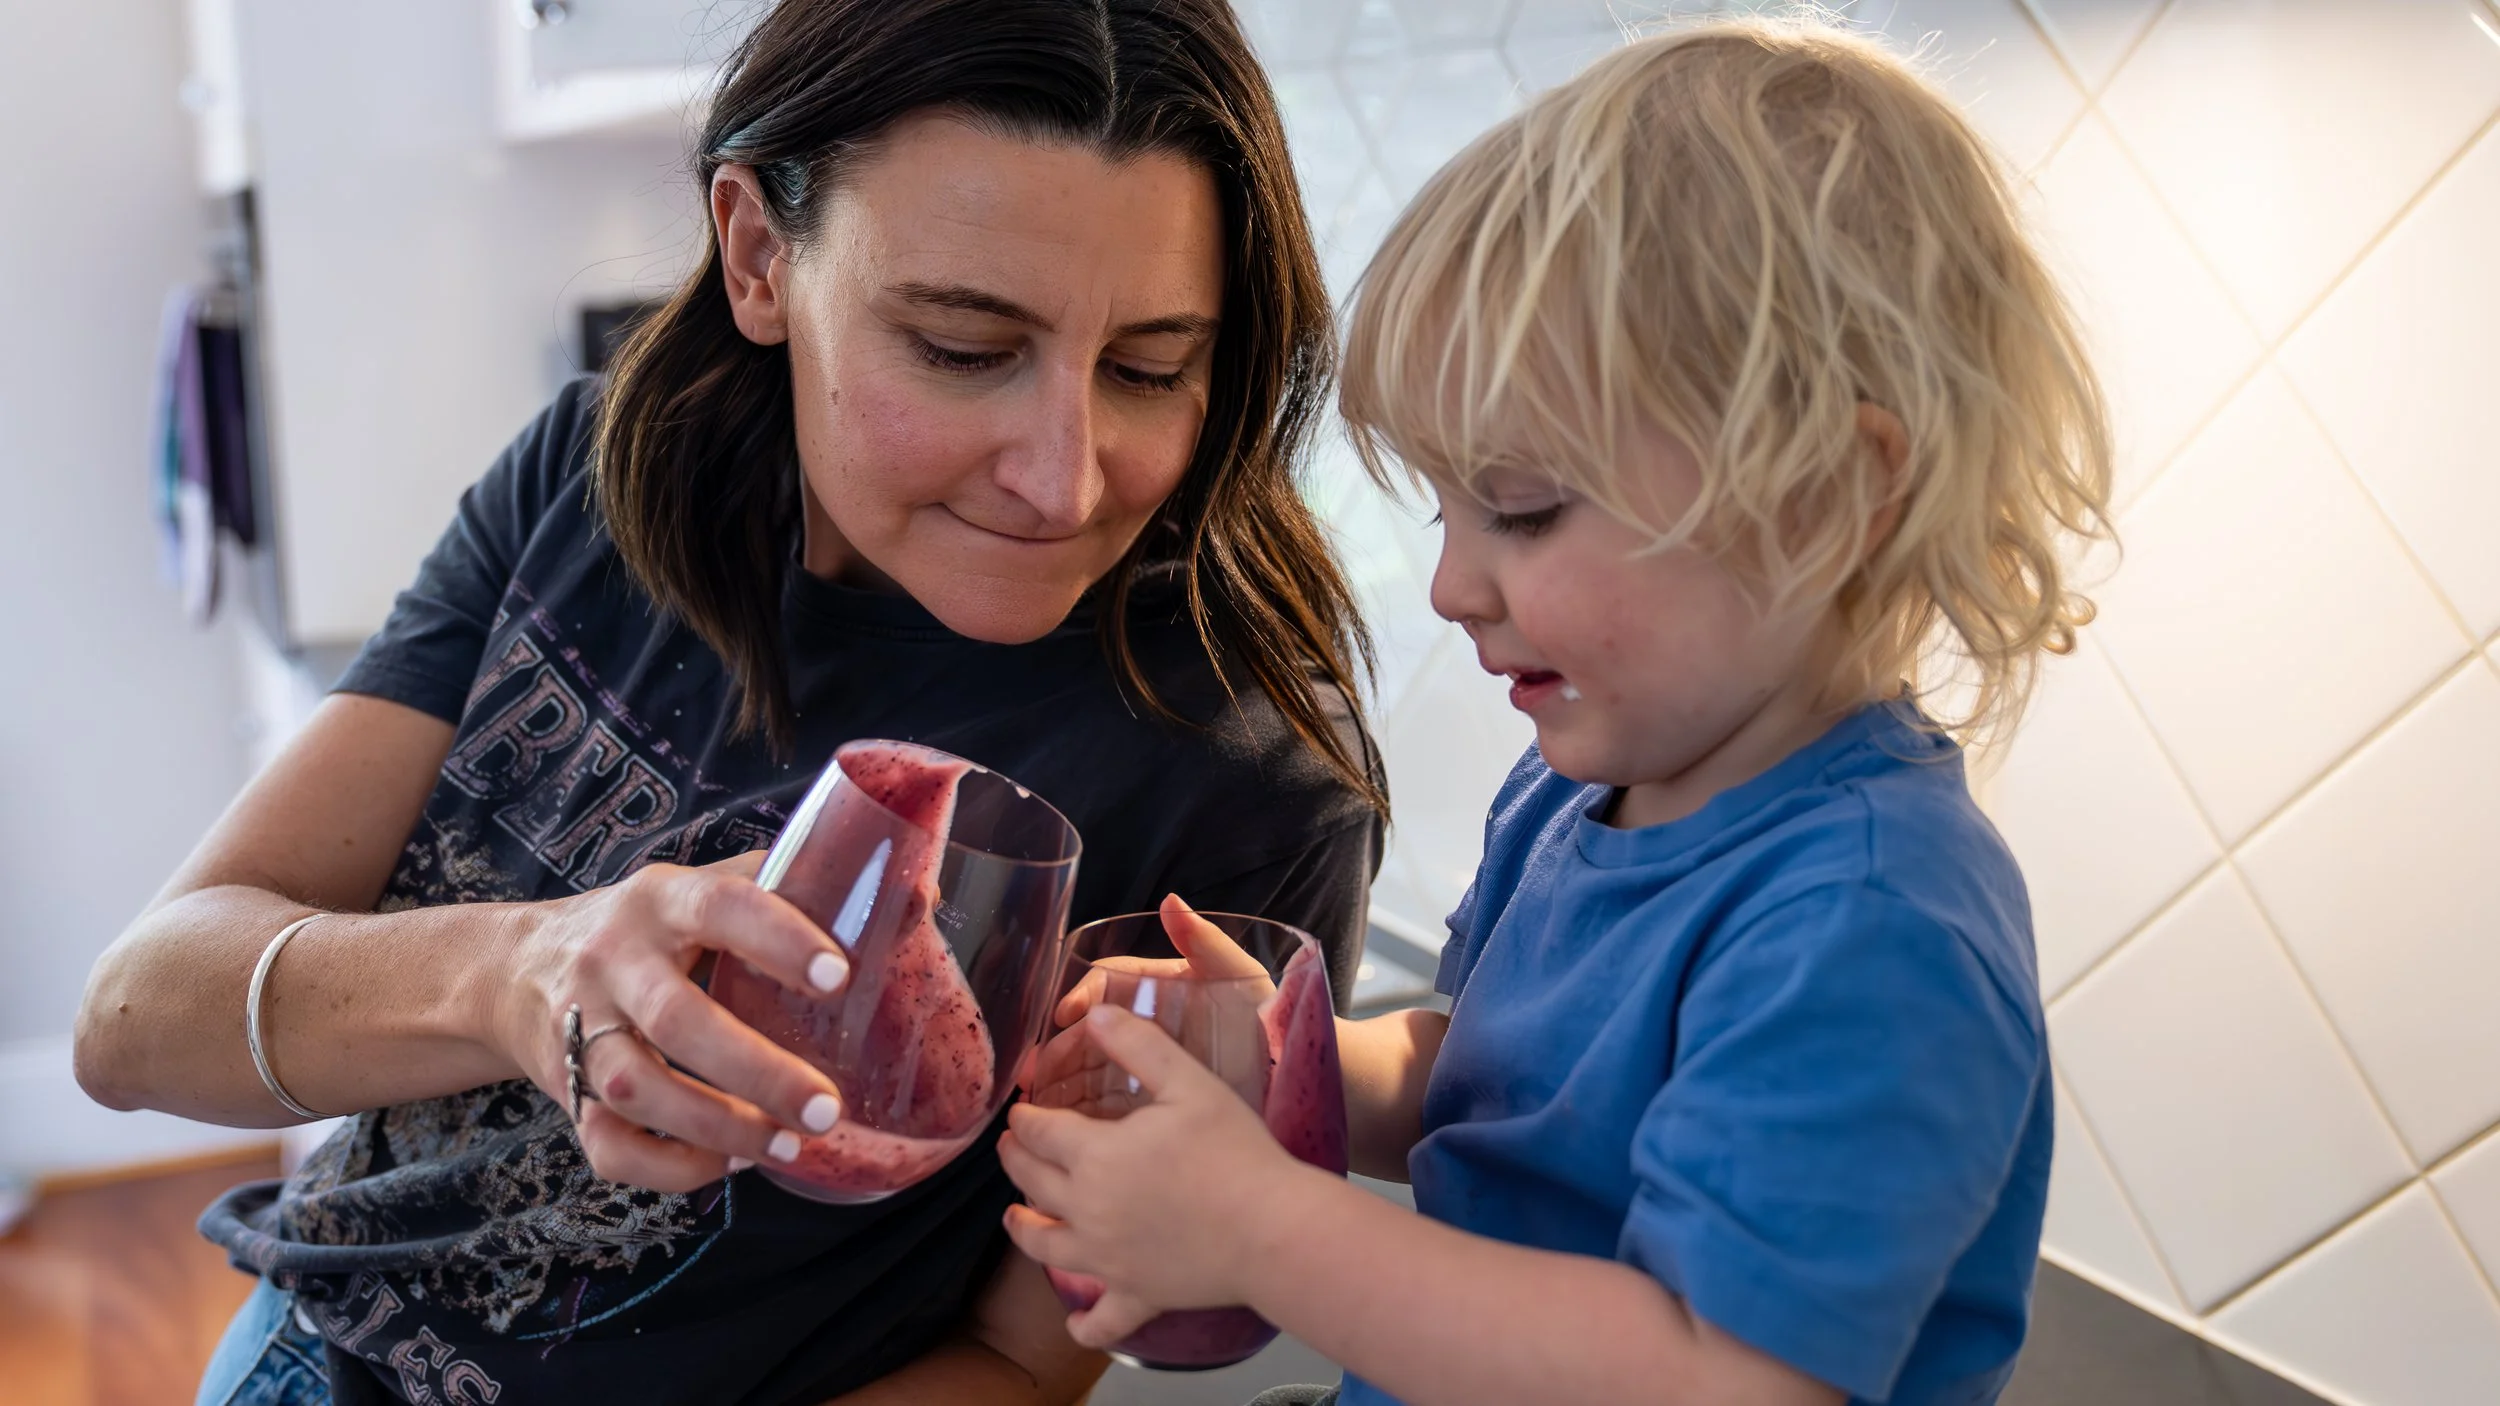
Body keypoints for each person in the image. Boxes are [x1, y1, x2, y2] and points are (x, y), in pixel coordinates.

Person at [72, 1, 1386, 1402]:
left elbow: (1018, 1353)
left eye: (1149, 369)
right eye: (959, 345)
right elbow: (134, 1020)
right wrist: (513, 972)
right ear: (759, 254)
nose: (1064, 479)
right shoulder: (591, 482)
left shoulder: (1245, 775)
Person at [994, 18, 2115, 1406]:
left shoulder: (1871, 923)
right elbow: (1492, 1072)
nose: (1456, 582)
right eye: (1450, 512)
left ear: (1828, 493)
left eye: (1523, 510)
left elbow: (1717, 1375)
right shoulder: (1589, 784)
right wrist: (1294, 1060)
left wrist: (1260, 1225)